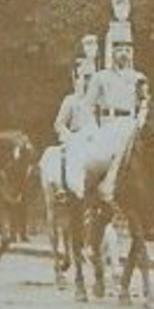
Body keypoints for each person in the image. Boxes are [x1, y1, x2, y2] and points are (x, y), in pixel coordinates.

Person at [84, 0, 149, 203]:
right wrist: (93, 128)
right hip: (108, 124)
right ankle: (103, 188)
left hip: (132, 123)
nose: (123, 54)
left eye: (126, 50)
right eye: (119, 50)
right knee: (99, 158)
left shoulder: (139, 77)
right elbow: (88, 105)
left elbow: (145, 101)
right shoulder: (101, 77)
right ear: (112, 52)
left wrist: (141, 119)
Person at [52, 43, 97, 195]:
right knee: (70, 155)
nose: (88, 82)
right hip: (77, 138)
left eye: (91, 78)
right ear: (76, 78)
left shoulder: (100, 100)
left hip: (97, 137)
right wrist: (68, 135)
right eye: (84, 78)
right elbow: (59, 124)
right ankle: (68, 188)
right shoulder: (70, 100)